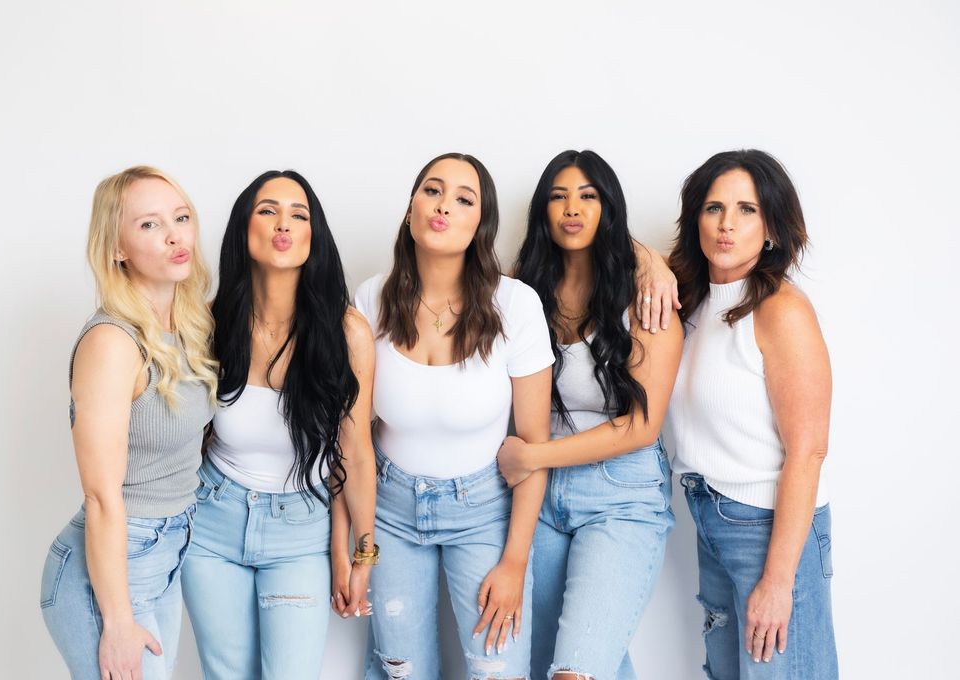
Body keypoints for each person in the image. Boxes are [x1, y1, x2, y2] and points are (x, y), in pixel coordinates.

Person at [354, 153, 554, 680]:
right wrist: (359, 549)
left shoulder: (516, 305)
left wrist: (515, 563)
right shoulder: (370, 300)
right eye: (432, 190)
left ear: (480, 224)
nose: (443, 205)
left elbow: (534, 446)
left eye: (464, 199)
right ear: (410, 209)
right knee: (401, 671)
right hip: (389, 513)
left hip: (485, 511)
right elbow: (351, 439)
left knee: (499, 671)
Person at [180, 170, 376, 679]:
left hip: (299, 531)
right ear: (244, 231)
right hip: (212, 524)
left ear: (315, 236)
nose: (283, 223)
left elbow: (355, 453)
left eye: (298, 213)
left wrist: (360, 555)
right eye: (267, 211)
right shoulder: (210, 324)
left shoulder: (346, 331)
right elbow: (183, 434)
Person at [497, 149, 684, 680]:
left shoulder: (644, 296)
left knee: (574, 672)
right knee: (558, 663)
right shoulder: (522, 289)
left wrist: (533, 454)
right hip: (539, 497)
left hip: (620, 495)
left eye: (588, 196)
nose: (571, 209)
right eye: (558, 197)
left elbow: (640, 426)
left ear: (608, 208)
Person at [40, 166, 217, 679]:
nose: (173, 234)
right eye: (148, 225)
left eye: (181, 218)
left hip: (165, 551)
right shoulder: (113, 344)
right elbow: (100, 495)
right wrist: (117, 622)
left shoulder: (185, 328)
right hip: (113, 570)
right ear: (117, 248)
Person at [668, 149, 837, 678]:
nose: (726, 224)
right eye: (714, 207)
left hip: (770, 528)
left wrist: (779, 579)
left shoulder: (780, 309)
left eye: (747, 209)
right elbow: (613, 253)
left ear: (770, 226)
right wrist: (651, 264)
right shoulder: (690, 303)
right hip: (710, 515)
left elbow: (807, 450)